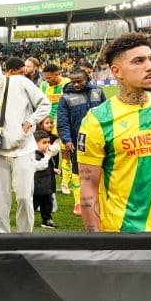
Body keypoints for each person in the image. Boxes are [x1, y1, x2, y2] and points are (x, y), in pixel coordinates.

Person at [78, 32, 151, 232]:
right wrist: (97, 242)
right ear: (117, 71)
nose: (150, 66)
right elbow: (88, 188)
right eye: (138, 61)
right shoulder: (97, 120)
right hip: (121, 238)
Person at [0, 54, 51, 233]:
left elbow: (44, 104)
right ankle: (2, 239)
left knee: (23, 197)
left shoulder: (19, 83)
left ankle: (24, 239)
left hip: (23, 149)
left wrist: (30, 121)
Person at [56, 67, 106, 215]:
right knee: (78, 171)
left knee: (102, 169)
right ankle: (79, 203)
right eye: (73, 82)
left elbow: (107, 113)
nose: (76, 85)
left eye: (79, 81)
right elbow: (62, 121)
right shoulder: (65, 98)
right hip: (78, 140)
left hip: (99, 139)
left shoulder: (98, 91)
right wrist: (67, 139)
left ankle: (101, 199)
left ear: (87, 79)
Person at [39, 64, 71, 193]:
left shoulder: (67, 84)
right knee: (45, 153)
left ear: (58, 73)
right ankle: (48, 180)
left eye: (49, 77)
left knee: (66, 154)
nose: (47, 80)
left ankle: (65, 183)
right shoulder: (44, 85)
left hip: (63, 125)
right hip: (48, 126)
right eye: (45, 77)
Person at [32, 130, 61, 229]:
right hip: (37, 187)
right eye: (44, 143)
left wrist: (53, 170)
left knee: (47, 204)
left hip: (46, 186)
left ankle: (46, 219)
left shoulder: (44, 153)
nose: (47, 145)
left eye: (48, 142)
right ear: (35, 143)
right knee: (32, 204)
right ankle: (26, 218)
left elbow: (47, 164)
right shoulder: (34, 154)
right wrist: (48, 156)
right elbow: (40, 166)